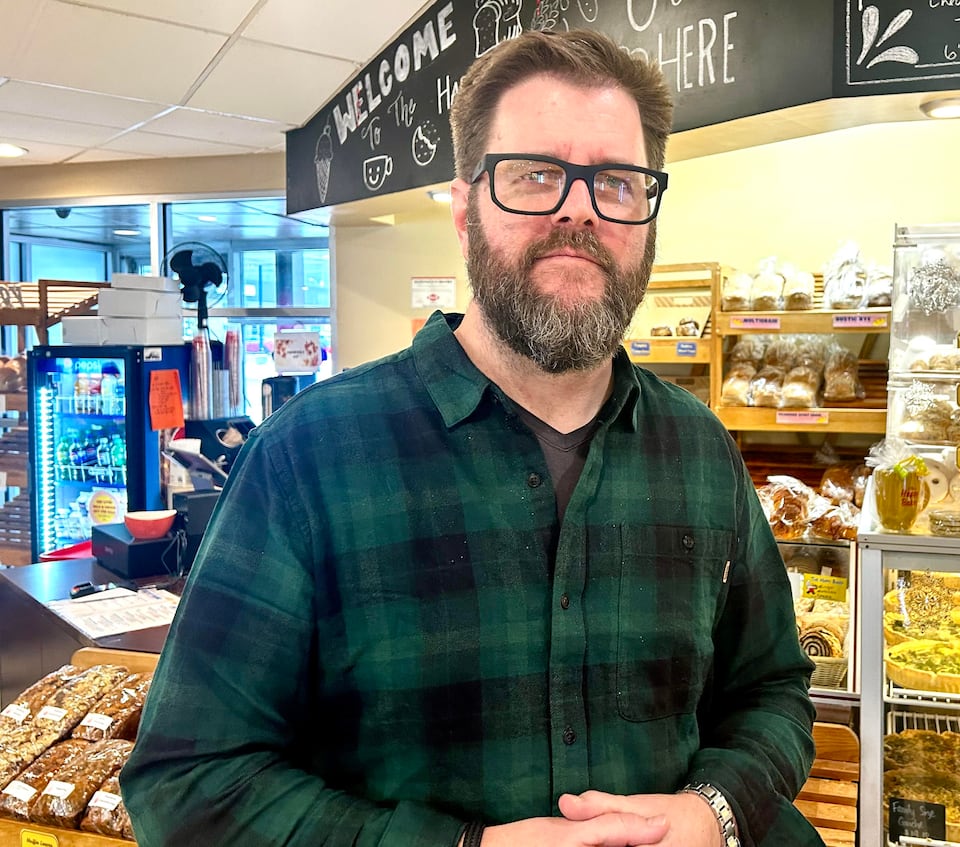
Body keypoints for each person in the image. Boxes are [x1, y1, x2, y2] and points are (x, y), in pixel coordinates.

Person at [122, 28, 822, 847]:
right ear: (464, 210)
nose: (579, 209)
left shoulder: (701, 452)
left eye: (619, 184)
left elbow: (774, 691)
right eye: (534, 175)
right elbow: (189, 782)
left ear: (647, 213)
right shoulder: (307, 456)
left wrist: (717, 811)